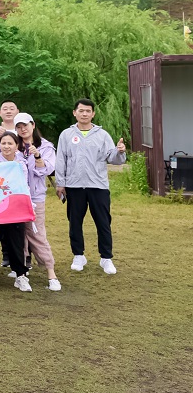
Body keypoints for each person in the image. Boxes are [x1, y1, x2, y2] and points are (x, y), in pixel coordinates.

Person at [55, 98, 126, 275]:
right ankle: (78, 255)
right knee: (75, 222)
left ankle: (106, 258)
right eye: (81, 111)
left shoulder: (102, 135)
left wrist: (119, 151)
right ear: (75, 113)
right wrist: (60, 183)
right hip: (74, 186)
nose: (84, 114)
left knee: (103, 222)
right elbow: (61, 159)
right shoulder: (66, 135)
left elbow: (113, 158)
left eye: (88, 111)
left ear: (93, 114)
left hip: (98, 185)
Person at [0, 132, 33, 292]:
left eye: (10, 143)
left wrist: (28, 205)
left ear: (16, 146)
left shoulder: (20, 164)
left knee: (16, 241)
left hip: (14, 208)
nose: (7, 146)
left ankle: (20, 275)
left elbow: (24, 185)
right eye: (3, 143)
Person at [14, 113, 61, 291]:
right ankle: (21, 272)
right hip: (16, 197)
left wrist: (37, 156)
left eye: (25, 125)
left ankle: (51, 272)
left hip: (35, 198)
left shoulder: (46, 146)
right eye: (19, 127)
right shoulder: (14, 145)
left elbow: (46, 170)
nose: (22, 129)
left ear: (33, 125)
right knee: (18, 235)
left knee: (37, 233)